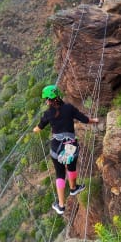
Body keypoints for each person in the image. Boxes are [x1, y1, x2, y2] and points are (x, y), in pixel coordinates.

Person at [33, 85, 99, 215]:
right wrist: (94, 120)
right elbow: (85, 120)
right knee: (71, 167)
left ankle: (61, 205)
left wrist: (35, 130)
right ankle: (73, 188)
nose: (46, 101)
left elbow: (39, 128)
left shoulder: (48, 114)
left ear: (49, 100)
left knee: (60, 173)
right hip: (69, 146)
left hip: (56, 147)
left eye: (46, 99)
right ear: (58, 96)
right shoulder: (69, 108)